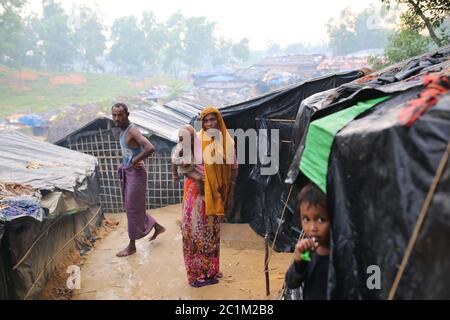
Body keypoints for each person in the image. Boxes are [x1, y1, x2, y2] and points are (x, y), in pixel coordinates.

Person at [181, 106, 238, 287]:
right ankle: (196, 275)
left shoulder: (227, 142)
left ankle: (211, 270)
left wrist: (230, 196)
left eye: (213, 119)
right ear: (202, 123)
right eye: (206, 120)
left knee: (212, 232)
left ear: (219, 120)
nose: (210, 123)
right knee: (196, 233)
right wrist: (201, 179)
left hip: (217, 194)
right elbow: (183, 166)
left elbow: (234, 170)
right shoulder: (196, 140)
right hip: (196, 193)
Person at [111, 102, 166, 257]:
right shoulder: (122, 131)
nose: (117, 118)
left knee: (131, 208)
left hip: (136, 173)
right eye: (114, 115)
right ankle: (157, 226)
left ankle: (132, 246)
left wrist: (135, 161)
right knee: (131, 207)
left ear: (127, 115)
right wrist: (128, 163)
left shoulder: (132, 130)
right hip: (128, 171)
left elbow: (150, 148)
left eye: (120, 115)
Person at [284, 182, 330, 299]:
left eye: (321, 219)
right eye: (306, 219)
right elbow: (292, 283)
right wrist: (299, 263)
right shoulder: (307, 252)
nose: (312, 228)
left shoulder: (340, 252)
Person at [171, 124, 204, 194]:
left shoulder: (193, 144)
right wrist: (175, 174)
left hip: (192, 167)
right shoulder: (180, 149)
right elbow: (174, 161)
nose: (192, 142)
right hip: (187, 170)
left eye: (193, 139)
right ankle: (201, 195)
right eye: (190, 140)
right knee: (199, 178)